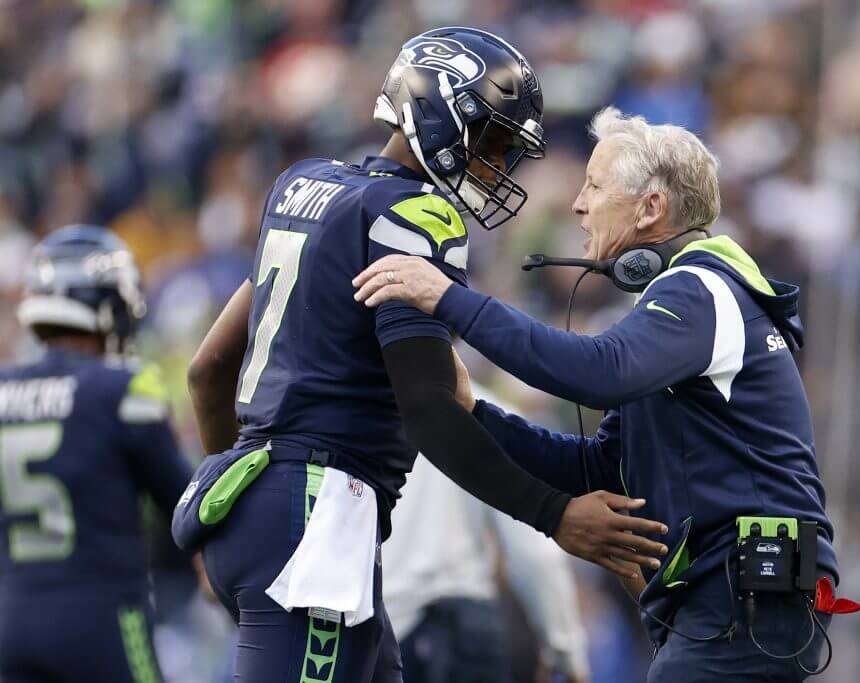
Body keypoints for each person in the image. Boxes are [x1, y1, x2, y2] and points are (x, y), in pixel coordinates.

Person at [183, 29, 667, 683]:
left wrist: (235, 504)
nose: (496, 165)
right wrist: (553, 515)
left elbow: (208, 370)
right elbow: (428, 411)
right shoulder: (415, 215)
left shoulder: (302, 188)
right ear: (438, 113)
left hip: (266, 505)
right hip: (313, 518)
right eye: (491, 140)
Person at [353, 107, 845, 682]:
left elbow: (598, 370)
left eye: (594, 185)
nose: (577, 204)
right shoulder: (684, 306)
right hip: (732, 600)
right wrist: (477, 413)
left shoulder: (700, 288)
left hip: (744, 596)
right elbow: (598, 468)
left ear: (652, 208)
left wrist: (450, 298)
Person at [0, 225, 194, 683]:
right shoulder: (123, 389)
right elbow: (187, 507)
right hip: (101, 616)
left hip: (11, 620)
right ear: (110, 308)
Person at [384, 383, 589, 683]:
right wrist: (566, 650)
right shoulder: (487, 414)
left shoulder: (359, 415)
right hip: (464, 634)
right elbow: (534, 552)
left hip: (386, 632)